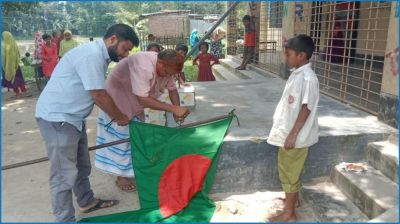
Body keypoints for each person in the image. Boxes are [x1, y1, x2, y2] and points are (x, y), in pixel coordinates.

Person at [35, 24, 139, 222]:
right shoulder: (91, 55)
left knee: (82, 166)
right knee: (63, 175)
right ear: (112, 39)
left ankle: (86, 201)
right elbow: (99, 94)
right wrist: (120, 117)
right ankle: (65, 219)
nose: (126, 55)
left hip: (73, 118)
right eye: (125, 49)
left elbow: (99, 91)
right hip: (58, 119)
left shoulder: (99, 56)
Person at [95, 49, 189, 192]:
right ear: (162, 64)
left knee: (136, 138)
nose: (170, 77)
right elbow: (143, 99)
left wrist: (177, 108)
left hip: (135, 105)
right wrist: (173, 109)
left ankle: (132, 171)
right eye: (169, 73)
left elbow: (172, 90)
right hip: (117, 102)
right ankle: (120, 176)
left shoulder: (167, 68)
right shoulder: (143, 66)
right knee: (121, 142)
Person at [267, 35, 319, 222]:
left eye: (288, 54)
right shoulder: (298, 73)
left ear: (301, 55)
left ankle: (289, 213)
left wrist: (292, 134)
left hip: (295, 137)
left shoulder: (307, 78)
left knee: (289, 171)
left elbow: (306, 108)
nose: (285, 57)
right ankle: (293, 201)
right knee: (291, 169)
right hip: (290, 133)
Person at [2, 31, 29, 98]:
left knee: (12, 80)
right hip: (16, 66)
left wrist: (4, 65)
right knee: (19, 79)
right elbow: (18, 54)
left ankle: (17, 93)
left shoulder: (3, 46)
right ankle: (24, 91)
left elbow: (2, 57)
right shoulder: (14, 44)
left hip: (8, 66)